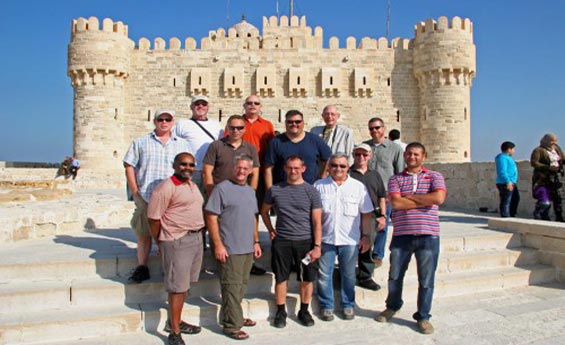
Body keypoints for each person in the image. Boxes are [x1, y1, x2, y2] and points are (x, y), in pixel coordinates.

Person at [375, 142, 446, 335]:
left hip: (428, 235)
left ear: (424, 156)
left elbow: (438, 198)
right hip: (402, 235)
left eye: (416, 154)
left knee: (426, 280)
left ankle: (423, 317)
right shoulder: (395, 178)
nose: (412, 157)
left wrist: (410, 198)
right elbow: (396, 203)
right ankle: (392, 306)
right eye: (409, 154)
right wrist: (424, 198)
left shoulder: (435, 176)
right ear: (404, 156)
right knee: (395, 276)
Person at [123, 109, 190, 284]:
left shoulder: (182, 144)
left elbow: (188, 168)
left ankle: (171, 269)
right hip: (146, 195)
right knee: (144, 232)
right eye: (161, 119)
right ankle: (142, 266)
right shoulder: (141, 142)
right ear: (155, 121)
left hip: (173, 197)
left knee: (172, 234)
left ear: (173, 122)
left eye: (168, 119)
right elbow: (129, 164)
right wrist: (135, 190)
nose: (164, 122)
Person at [147, 152, 204, 345]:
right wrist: (160, 242)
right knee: (177, 287)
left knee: (184, 284)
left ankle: (176, 321)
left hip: (195, 238)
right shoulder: (165, 188)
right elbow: (154, 219)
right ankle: (175, 332)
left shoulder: (192, 185)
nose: (187, 168)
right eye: (183, 164)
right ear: (174, 165)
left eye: (191, 165)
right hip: (177, 240)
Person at [260, 155, 322, 328]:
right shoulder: (275, 190)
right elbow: (264, 211)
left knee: (307, 279)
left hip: (305, 241)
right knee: (281, 278)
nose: (293, 171)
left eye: (296, 168)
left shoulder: (311, 191)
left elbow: (317, 221)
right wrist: (271, 230)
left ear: (303, 169)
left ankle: (304, 310)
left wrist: (317, 245)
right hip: (283, 241)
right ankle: (281, 311)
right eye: (289, 168)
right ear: (285, 169)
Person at [204, 155, 262, 340]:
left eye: (246, 168)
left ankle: (235, 315)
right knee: (231, 286)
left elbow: (253, 217)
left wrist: (256, 241)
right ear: (233, 168)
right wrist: (218, 245)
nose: (241, 171)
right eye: (238, 167)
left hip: (246, 248)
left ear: (251, 171)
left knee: (241, 286)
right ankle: (231, 326)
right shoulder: (222, 189)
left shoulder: (250, 191)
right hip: (229, 247)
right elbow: (211, 216)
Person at [314, 154, 374, 321]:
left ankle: (348, 305)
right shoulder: (319, 186)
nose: (338, 169)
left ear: (348, 167)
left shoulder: (358, 187)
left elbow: (366, 215)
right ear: (329, 166)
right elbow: (314, 216)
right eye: (334, 165)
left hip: (350, 240)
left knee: (348, 274)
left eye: (342, 166)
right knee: (324, 274)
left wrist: (367, 236)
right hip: (326, 239)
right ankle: (327, 306)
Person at [239, 94, 276, 275]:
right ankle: (248, 254)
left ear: (261, 106)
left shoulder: (267, 125)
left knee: (260, 210)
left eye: (256, 103)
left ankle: (259, 246)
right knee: (246, 213)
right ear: (244, 106)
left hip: (260, 175)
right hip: (242, 175)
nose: (252, 105)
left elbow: (271, 151)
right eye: (249, 103)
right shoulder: (237, 124)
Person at [363, 117, 404, 266]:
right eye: (371, 128)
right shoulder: (364, 147)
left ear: (384, 128)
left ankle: (377, 254)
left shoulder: (395, 149)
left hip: (385, 194)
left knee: (382, 224)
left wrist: (394, 193)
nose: (374, 131)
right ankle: (363, 252)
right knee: (364, 224)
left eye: (377, 127)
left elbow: (399, 173)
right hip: (365, 193)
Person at [349, 143, 387, 291]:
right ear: (353, 156)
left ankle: (365, 276)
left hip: (371, 216)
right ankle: (349, 276)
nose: (361, 158)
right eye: (358, 154)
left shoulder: (375, 174)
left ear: (369, 156)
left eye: (364, 155)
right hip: (352, 215)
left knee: (367, 246)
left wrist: (383, 216)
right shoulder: (348, 173)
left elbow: (381, 196)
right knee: (350, 247)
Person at [264, 110, 332, 189]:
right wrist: (270, 191)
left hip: (310, 189)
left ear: (303, 123)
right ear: (285, 123)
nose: (294, 124)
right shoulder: (276, 142)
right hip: (283, 191)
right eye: (290, 122)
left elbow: (329, 159)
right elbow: (268, 169)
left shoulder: (315, 140)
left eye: (297, 121)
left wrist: (322, 179)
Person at [174, 95, 223, 196]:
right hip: (190, 170)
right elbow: (174, 145)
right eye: (197, 104)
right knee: (187, 199)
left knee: (208, 201)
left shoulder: (216, 126)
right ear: (191, 107)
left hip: (210, 171)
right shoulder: (182, 124)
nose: (200, 106)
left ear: (208, 107)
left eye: (204, 104)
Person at [203, 115, 260, 197]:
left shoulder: (251, 148)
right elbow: (207, 171)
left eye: (240, 128)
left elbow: (254, 173)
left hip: (242, 194)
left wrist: (251, 194)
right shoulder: (216, 146)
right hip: (219, 193)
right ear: (227, 128)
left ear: (244, 129)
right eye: (232, 128)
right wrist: (211, 193)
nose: (235, 131)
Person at [531, 133, 565, 221]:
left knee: (558, 199)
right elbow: (534, 163)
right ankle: (540, 216)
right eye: (552, 141)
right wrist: (548, 167)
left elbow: (562, 159)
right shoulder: (538, 150)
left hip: (556, 178)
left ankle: (559, 218)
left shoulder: (557, 149)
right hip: (543, 179)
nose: (553, 143)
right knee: (544, 201)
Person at [495, 141, 519, 217]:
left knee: (515, 198)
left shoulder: (507, 158)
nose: (514, 151)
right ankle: (505, 216)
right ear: (509, 149)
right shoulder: (502, 158)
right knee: (506, 201)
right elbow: (502, 171)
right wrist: (507, 181)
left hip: (511, 182)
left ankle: (511, 215)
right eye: (513, 149)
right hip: (505, 182)